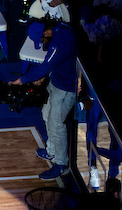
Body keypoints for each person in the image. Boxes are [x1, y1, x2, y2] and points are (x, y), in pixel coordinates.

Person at [8, 18, 77, 180]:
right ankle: (52, 152)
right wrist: (44, 76)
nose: (43, 43)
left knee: (56, 124)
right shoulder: (59, 31)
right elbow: (52, 63)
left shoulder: (63, 39)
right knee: (46, 115)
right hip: (57, 80)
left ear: (46, 31)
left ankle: (61, 164)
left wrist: (22, 80)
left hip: (67, 87)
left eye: (42, 40)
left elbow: (46, 65)